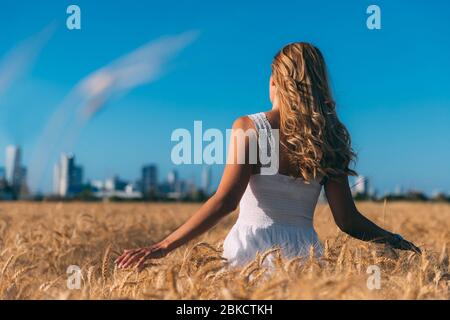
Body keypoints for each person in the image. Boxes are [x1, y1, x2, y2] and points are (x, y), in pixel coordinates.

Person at [115, 42, 420, 271]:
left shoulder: (250, 127)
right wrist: (395, 239)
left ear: (276, 82)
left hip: (251, 252)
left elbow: (225, 202)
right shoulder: (330, 137)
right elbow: (347, 220)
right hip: (305, 258)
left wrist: (163, 246)